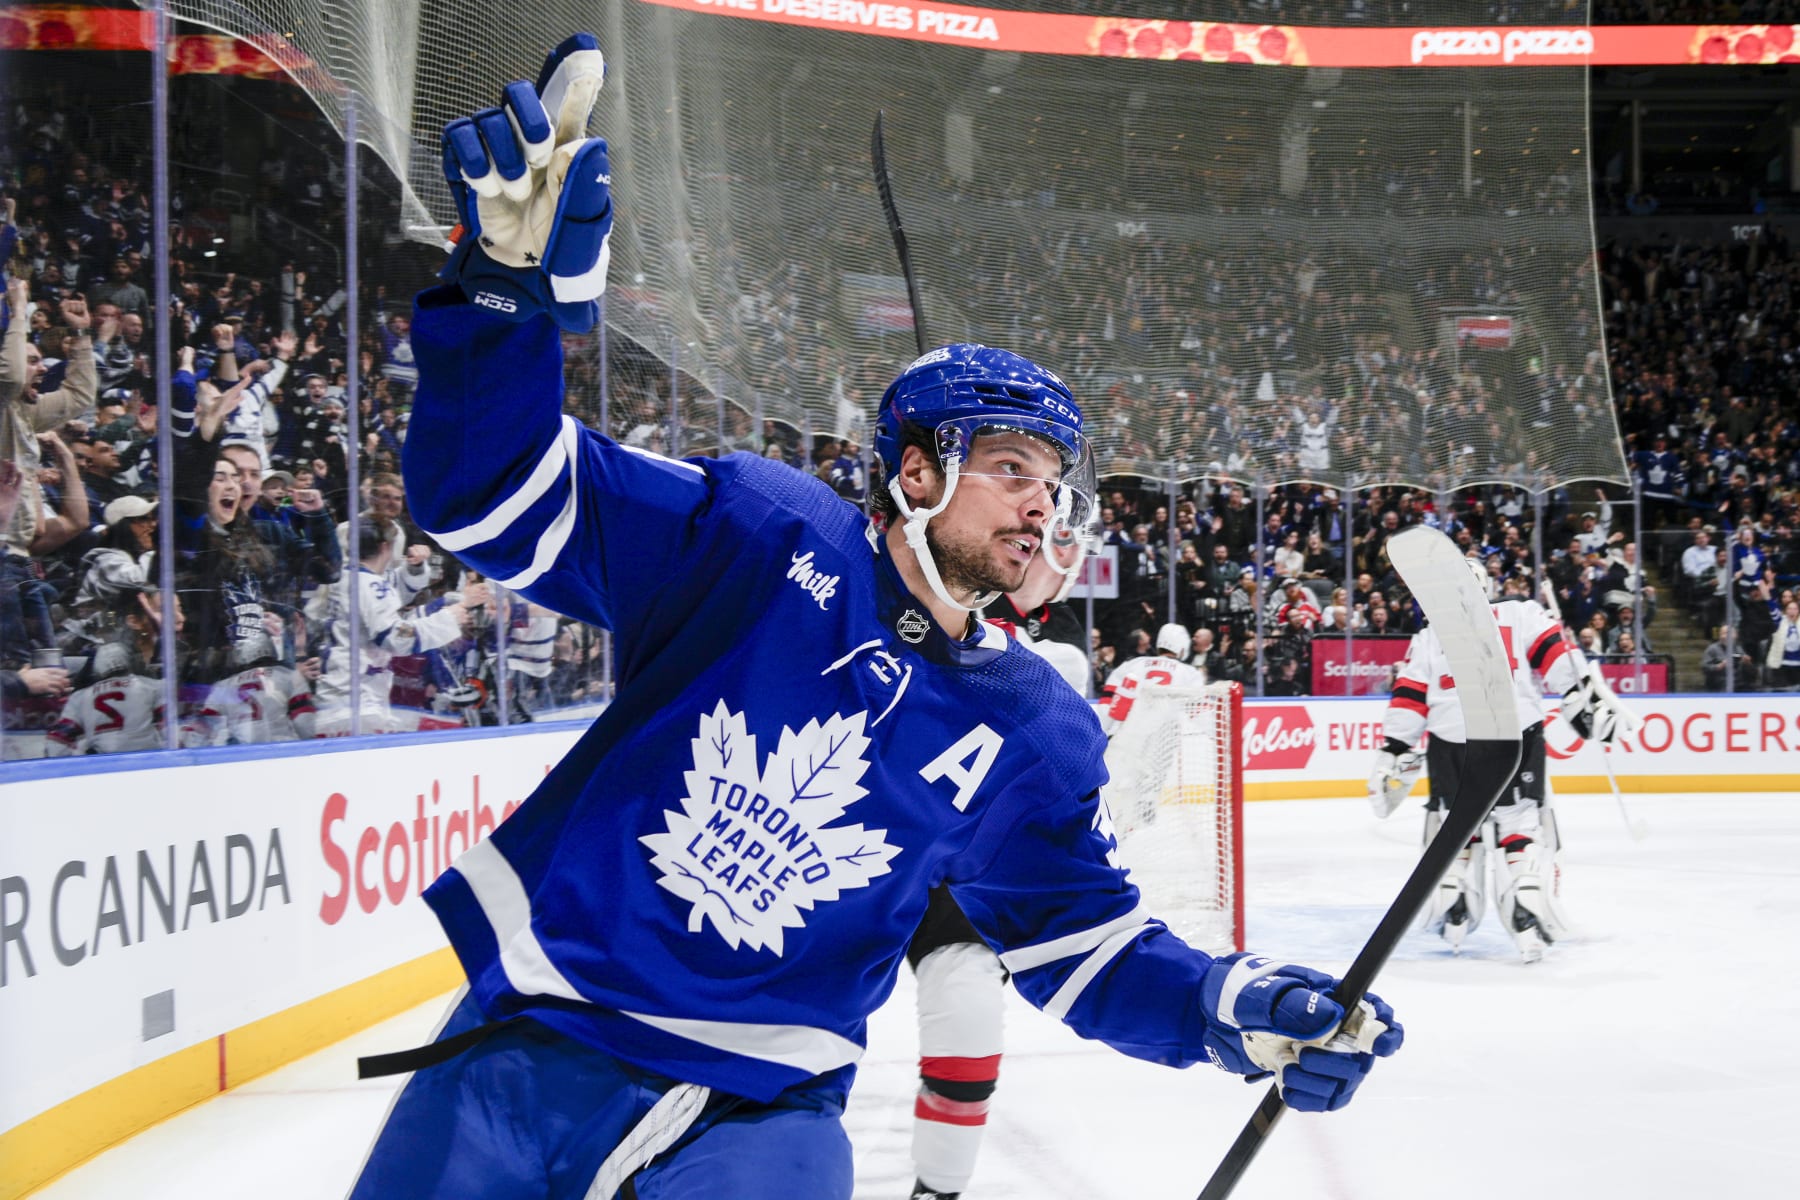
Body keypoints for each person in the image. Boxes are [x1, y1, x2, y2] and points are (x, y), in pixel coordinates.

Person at [350, 38, 1402, 1199]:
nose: (1042, 499)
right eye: (1009, 465)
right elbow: (493, 496)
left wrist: (1227, 1008)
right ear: (915, 473)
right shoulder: (758, 537)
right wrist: (501, 302)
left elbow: (1080, 948)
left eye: (1054, 478)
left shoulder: (1036, 731)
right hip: (526, 1043)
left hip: (759, 1112)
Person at [907, 523, 1090, 1200]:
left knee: (967, 1000)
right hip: (859, 833)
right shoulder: (914, 602)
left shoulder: (1057, 667)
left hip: (964, 864)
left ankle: (938, 1190)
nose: (1057, 556)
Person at [1367, 566, 1628, 963]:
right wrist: (1583, 699)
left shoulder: (1429, 635)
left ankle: (1454, 897)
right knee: (1519, 826)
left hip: (1451, 743)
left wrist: (1393, 750)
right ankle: (1526, 898)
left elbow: (1409, 697)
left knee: (1459, 829)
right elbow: (1562, 662)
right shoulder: (1520, 613)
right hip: (1514, 735)